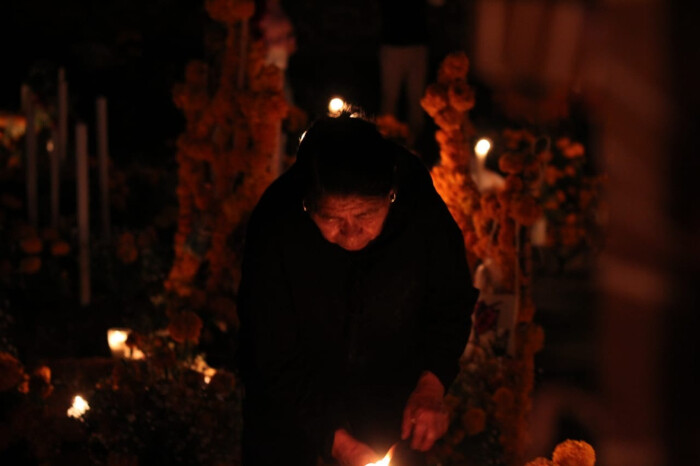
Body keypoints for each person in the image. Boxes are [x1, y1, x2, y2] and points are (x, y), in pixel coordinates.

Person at [238, 113, 477, 466]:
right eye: (332, 219)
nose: (350, 232)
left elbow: (450, 302)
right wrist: (336, 441)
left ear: (390, 196)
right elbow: (269, 348)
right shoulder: (277, 224)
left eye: (365, 215)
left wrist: (431, 384)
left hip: (389, 404)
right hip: (289, 413)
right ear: (308, 205)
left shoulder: (420, 213)